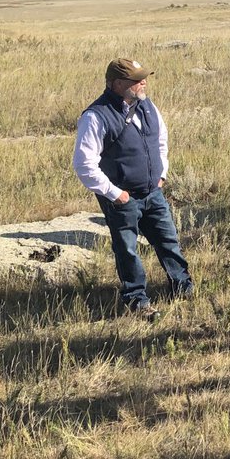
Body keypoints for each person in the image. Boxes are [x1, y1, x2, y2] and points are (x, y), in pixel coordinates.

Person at [73, 58, 194, 321]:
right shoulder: (96, 116)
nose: (143, 82)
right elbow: (84, 164)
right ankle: (137, 299)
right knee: (127, 250)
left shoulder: (147, 106)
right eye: (136, 79)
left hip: (153, 191)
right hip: (121, 198)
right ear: (117, 84)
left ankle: (183, 287)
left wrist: (161, 174)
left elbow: (161, 139)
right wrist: (114, 193)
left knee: (168, 240)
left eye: (143, 77)